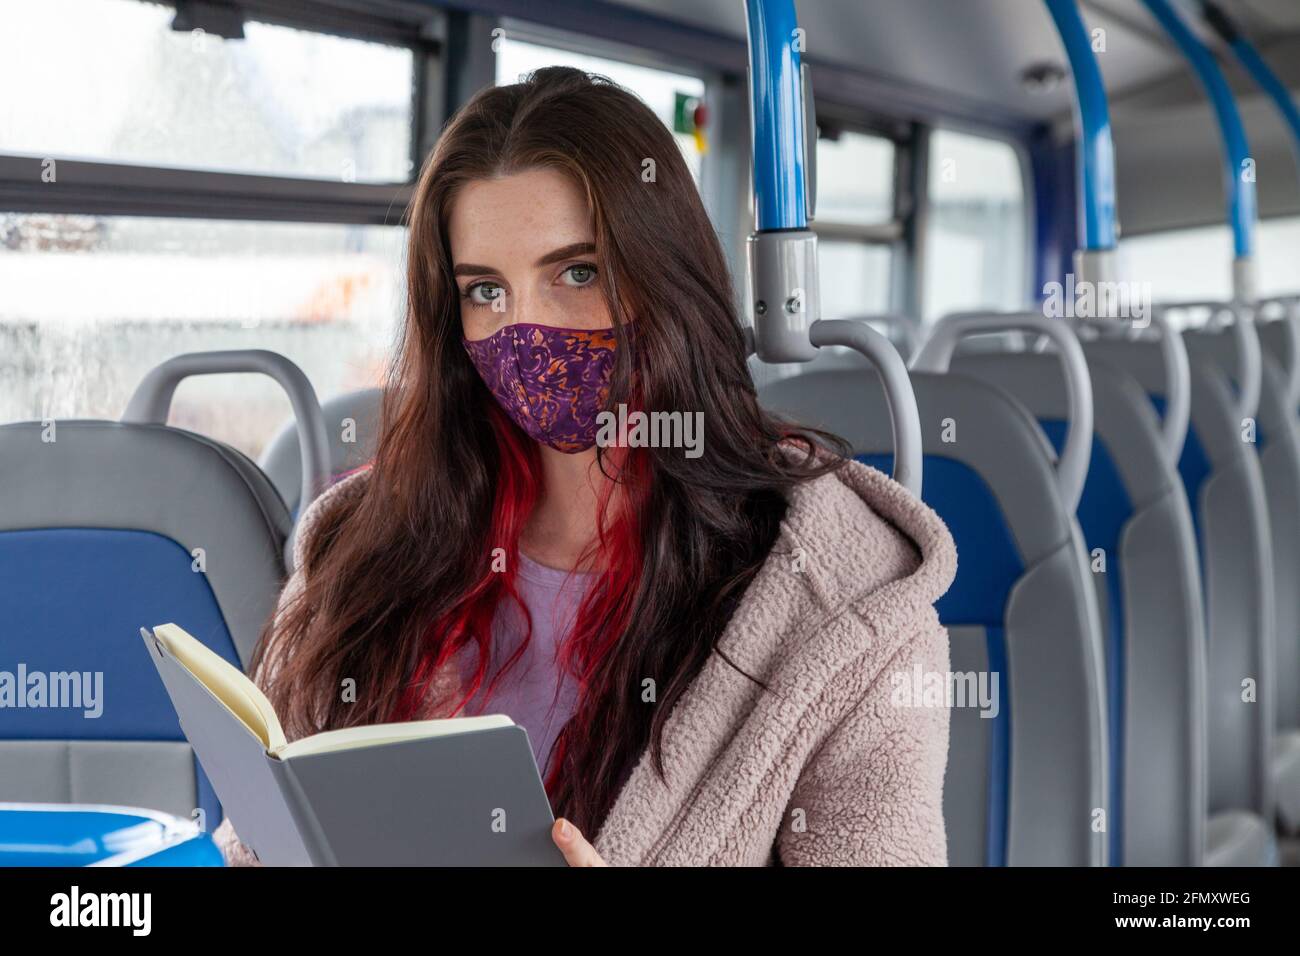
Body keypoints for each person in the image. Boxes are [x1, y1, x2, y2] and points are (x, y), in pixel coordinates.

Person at [213, 66, 956, 867]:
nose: (527, 327)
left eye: (577, 273)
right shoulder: (363, 549)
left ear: (663, 280)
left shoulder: (843, 610)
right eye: (485, 290)